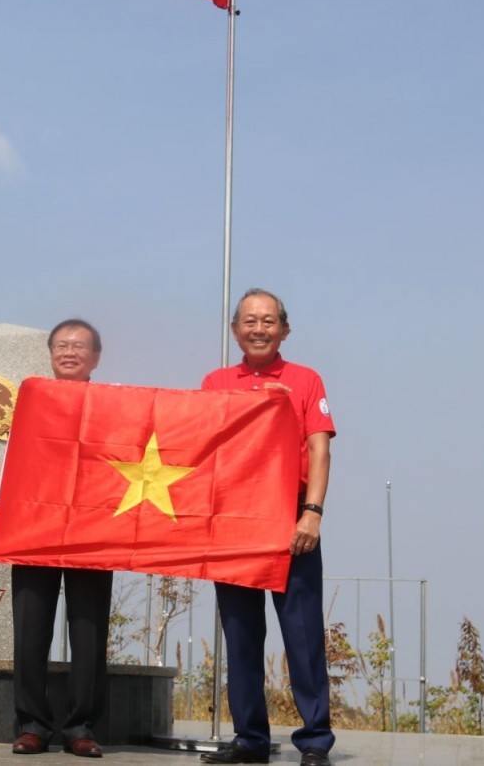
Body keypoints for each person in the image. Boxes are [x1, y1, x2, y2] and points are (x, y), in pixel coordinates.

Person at [199, 289, 335, 766]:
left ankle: (315, 740)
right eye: (250, 321)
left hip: (290, 513)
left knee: (301, 631)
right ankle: (250, 739)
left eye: (269, 321)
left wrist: (312, 512)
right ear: (235, 328)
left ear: (285, 329)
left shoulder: (305, 380)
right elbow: (201, 449)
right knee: (240, 633)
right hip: (234, 517)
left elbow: (319, 449)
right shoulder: (215, 383)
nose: (259, 329)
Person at [0, 319, 112, 758]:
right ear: (51, 353)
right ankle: (32, 724)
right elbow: (14, 466)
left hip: (93, 531)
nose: (70, 352)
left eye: (80, 346)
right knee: (30, 630)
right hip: (36, 528)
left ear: (96, 357)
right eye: (62, 345)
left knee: (88, 631)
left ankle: (81, 727)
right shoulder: (32, 401)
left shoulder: (113, 406)